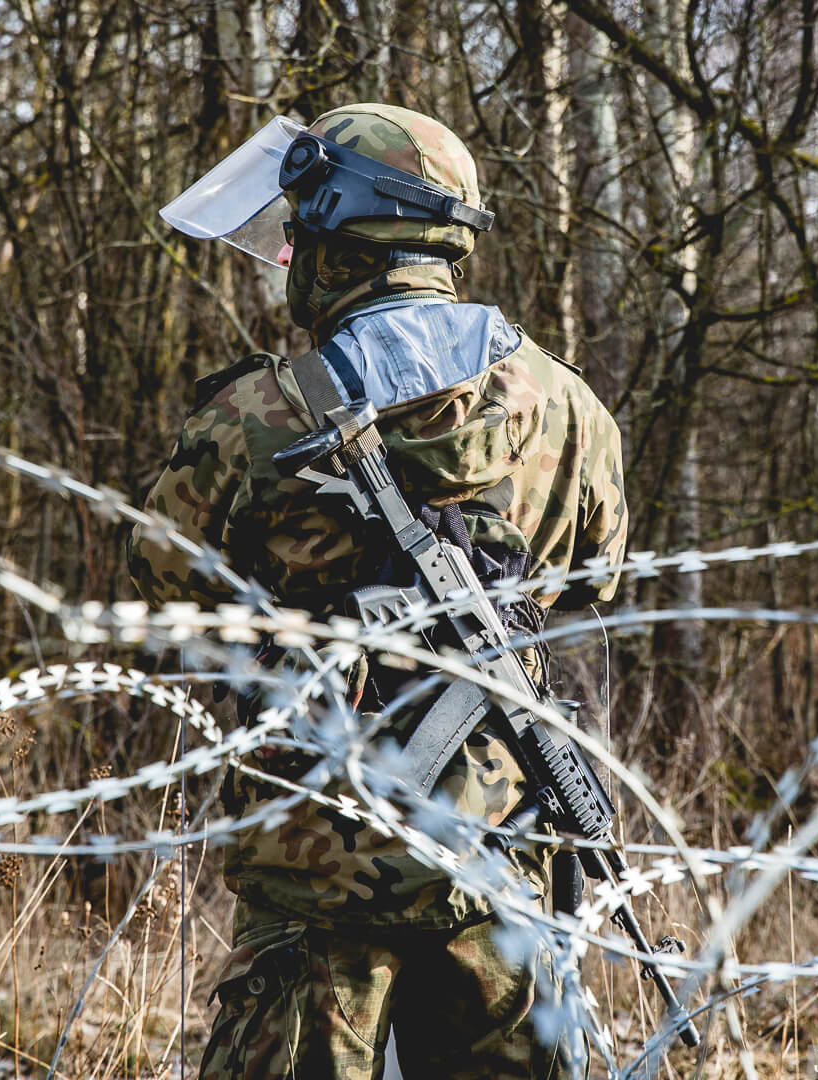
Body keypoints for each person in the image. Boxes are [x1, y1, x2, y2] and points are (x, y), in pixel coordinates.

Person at [127, 102, 627, 1080]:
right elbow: (590, 586)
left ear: (335, 237)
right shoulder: (568, 408)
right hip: (498, 873)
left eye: (299, 234)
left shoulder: (252, 417)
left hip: (318, 878)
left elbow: (156, 605)